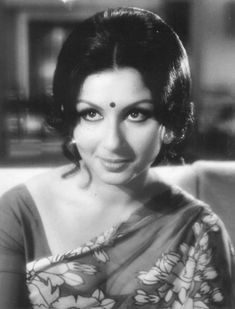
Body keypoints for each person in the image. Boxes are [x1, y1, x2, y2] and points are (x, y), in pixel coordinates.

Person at [0, 7, 234, 309]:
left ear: (171, 124)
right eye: (91, 113)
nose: (112, 142)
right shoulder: (17, 214)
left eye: (136, 114)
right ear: (70, 119)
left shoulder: (198, 232)